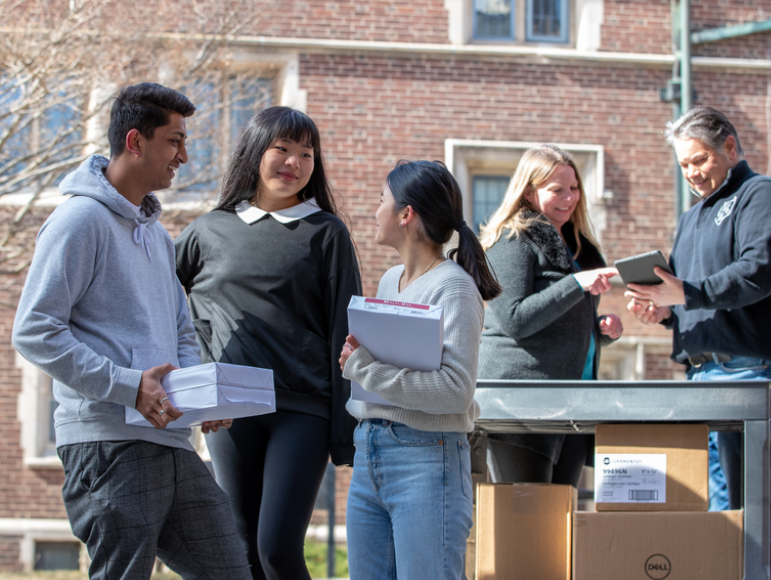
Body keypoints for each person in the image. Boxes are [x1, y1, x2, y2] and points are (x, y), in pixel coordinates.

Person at [12, 82, 250, 580]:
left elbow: (180, 330)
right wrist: (127, 386)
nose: (185, 155)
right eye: (175, 141)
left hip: (169, 442)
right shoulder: (79, 221)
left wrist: (195, 395)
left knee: (230, 568)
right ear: (136, 142)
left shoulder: (158, 238)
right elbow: (34, 329)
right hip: (108, 443)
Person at [174, 107, 362, 580]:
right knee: (239, 552)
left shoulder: (327, 233)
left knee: (277, 548)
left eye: (306, 153)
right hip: (230, 408)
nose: (294, 163)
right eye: (283, 149)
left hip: (303, 408)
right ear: (255, 151)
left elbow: (347, 334)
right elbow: (163, 309)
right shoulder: (206, 231)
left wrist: (347, 432)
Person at [625, 106, 771, 580]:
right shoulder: (691, 218)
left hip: (749, 367)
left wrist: (684, 291)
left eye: (699, 160)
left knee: (751, 505)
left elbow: (756, 274)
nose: (692, 173)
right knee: (722, 505)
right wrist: (664, 311)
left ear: (729, 147)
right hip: (701, 373)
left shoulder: (761, 196)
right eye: (683, 165)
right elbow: (695, 296)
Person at [338, 160, 502, 580]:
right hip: (370, 451)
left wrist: (364, 370)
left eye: (381, 201)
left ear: (406, 214)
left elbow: (455, 391)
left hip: (427, 459)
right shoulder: (390, 281)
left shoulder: (454, 287)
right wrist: (362, 366)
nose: (375, 211)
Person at [477, 145, 622, 486]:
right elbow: (515, 318)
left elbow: (559, 322)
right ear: (529, 190)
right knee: (526, 519)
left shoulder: (581, 247)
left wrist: (600, 332)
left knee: (560, 518)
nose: (569, 198)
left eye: (574, 189)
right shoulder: (512, 239)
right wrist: (575, 284)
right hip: (521, 407)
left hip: (574, 403)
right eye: (557, 189)